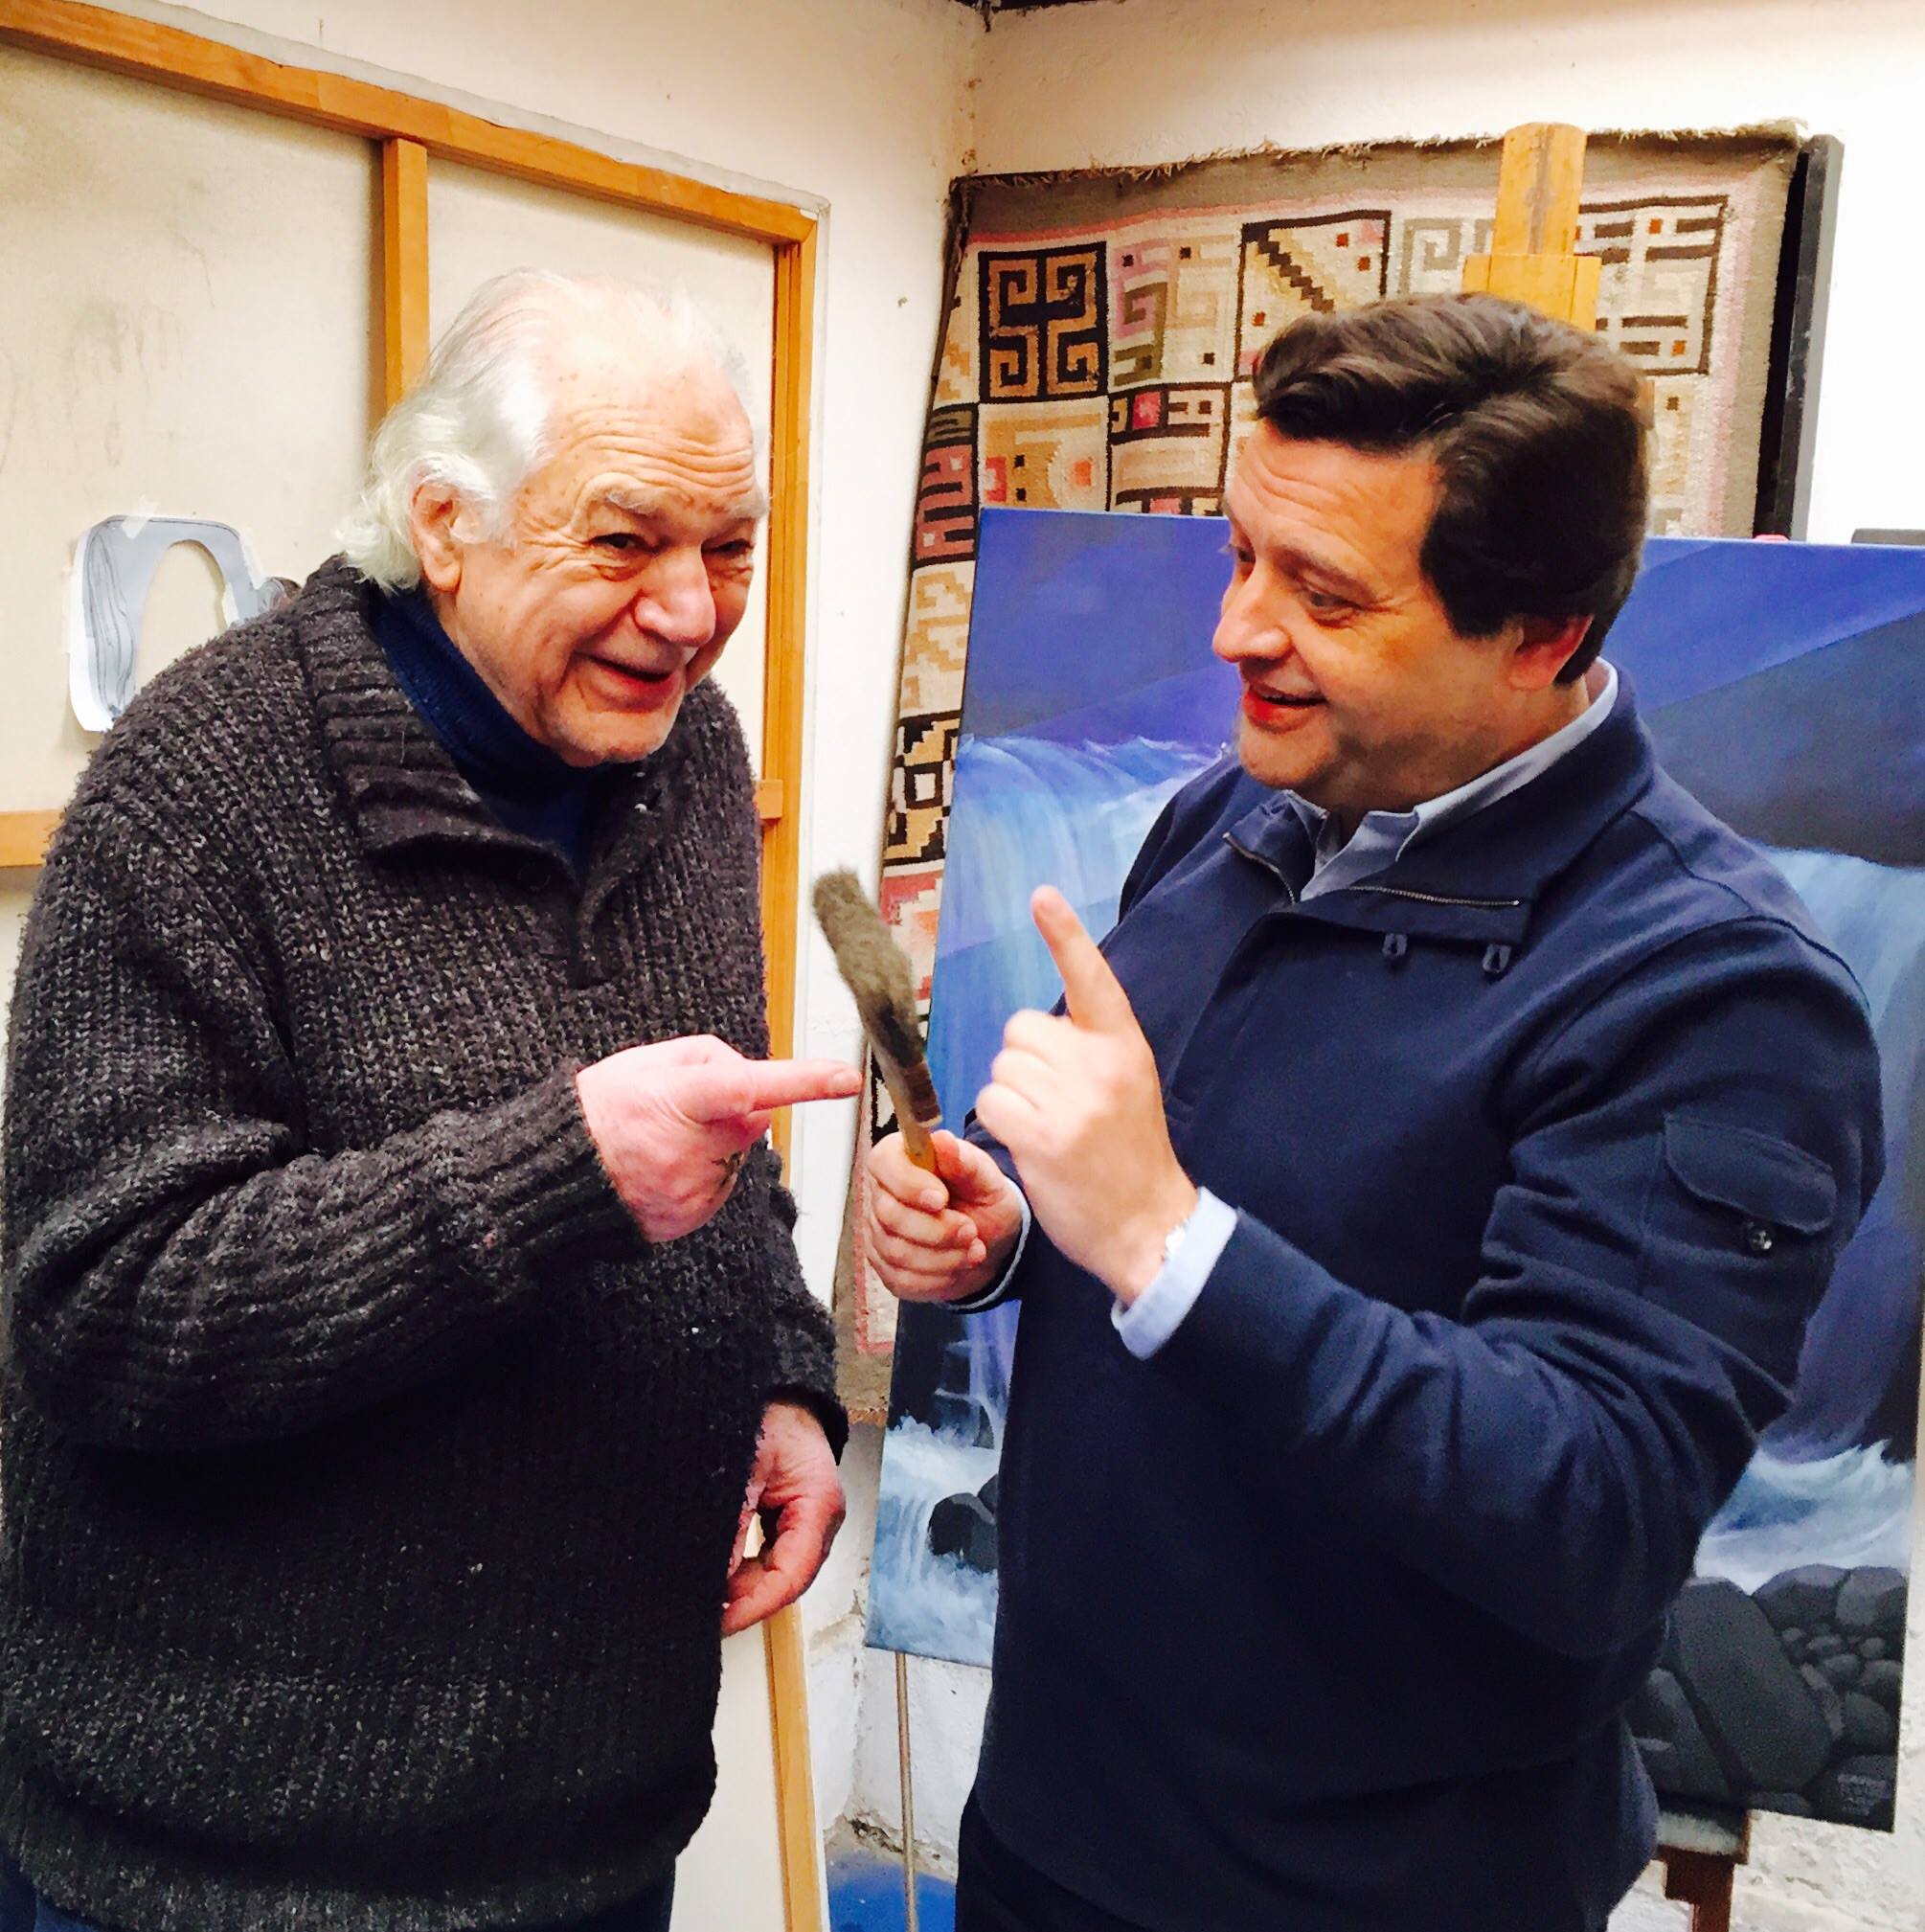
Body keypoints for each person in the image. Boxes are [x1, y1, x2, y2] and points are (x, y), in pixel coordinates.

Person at [866, 293, 1883, 1932]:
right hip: (1059, 1823)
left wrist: (1157, 1234)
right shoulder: (1234, 812)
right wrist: (1003, 1223)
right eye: (1239, 557)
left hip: (1368, 1891)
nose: (1237, 632)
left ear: (1537, 634)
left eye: (1323, 593)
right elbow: (1155, 1173)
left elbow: (1592, 1509)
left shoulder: (1715, 992)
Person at [0, 271, 860, 1932]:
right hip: (223, 1872)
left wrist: (780, 1381)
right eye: (624, 543)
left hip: (593, 1833)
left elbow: (716, 1159)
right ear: (443, 525)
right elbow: (99, 1312)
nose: (689, 610)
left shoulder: (682, 758)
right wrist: (554, 1174)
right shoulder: (202, 787)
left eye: (730, 544)